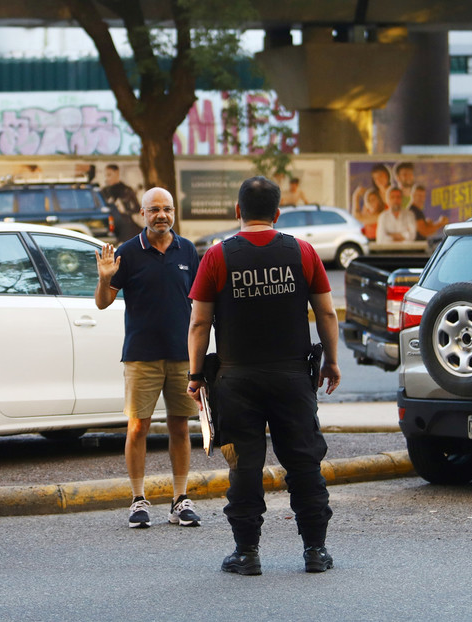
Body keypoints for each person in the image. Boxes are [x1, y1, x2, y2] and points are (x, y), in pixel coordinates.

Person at [187, 176, 341, 575]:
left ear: (237, 211)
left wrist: (195, 375)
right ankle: (315, 552)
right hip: (292, 378)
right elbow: (325, 312)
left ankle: (247, 553)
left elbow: (199, 324)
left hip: (237, 382)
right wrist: (332, 362)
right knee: (305, 464)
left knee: (244, 467)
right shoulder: (303, 252)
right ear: (277, 213)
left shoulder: (217, 257)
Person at [95, 186, 202, 528]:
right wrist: (105, 279)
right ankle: (138, 500)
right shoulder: (127, 252)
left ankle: (180, 499)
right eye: (154, 209)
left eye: (167, 209)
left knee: (180, 426)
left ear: (174, 212)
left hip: (181, 355)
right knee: (137, 426)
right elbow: (103, 302)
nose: (161, 215)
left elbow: (200, 302)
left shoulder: (187, 250)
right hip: (141, 355)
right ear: (143, 214)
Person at [100, 163, 143, 243]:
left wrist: (124, 210)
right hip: (110, 225)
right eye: (106, 175)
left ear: (117, 173)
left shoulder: (126, 190)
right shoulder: (104, 191)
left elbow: (137, 208)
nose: (107, 178)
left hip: (126, 226)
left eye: (109, 175)